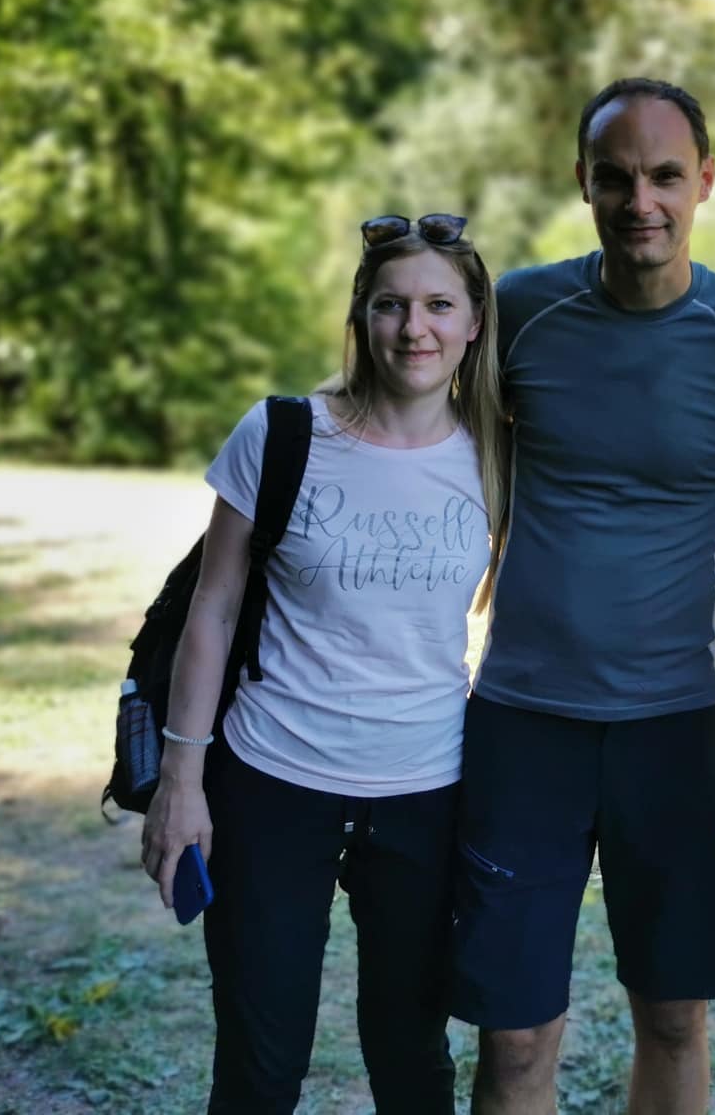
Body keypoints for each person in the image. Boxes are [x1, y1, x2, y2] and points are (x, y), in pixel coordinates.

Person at [452, 78, 715, 1115]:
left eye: (663, 176)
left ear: (705, 180)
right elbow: (459, 480)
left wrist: (702, 580)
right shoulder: (518, 311)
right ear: (583, 183)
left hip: (677, 729)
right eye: (614, 177)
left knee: (674, 1018)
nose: (638, 201)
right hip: (524, 723)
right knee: (515, 1034)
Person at [140, 212, 508, 1115]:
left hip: (426, 791)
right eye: (390, 305)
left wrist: (714, 591)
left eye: (438, 306)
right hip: (272, 781)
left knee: (412, 1061)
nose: (414, 328)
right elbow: (213, 607)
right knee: (261, 1069)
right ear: (360, 315)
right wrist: (181, 783)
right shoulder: (282, 434)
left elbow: (603, 538)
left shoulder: (499, 454)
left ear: (473, 322)